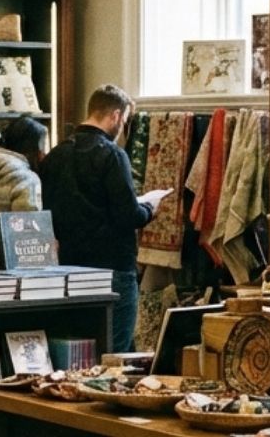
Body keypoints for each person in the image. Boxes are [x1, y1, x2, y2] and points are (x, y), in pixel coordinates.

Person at [40, 85, 171, 353]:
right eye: (123, 121)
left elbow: (48, 212)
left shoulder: (55, 156)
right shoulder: (112, 155)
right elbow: (128, 215)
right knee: (115, 352)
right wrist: (150, 207)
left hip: (71, 268)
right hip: (113, 268)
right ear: (115, 115)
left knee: (78, 351)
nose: (122, 127)